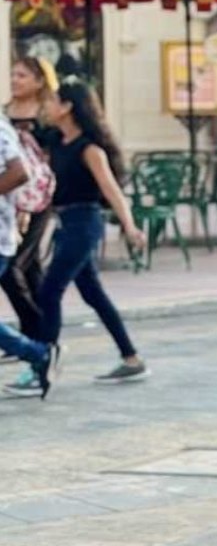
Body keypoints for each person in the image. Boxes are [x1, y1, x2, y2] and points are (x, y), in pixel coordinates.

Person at [37, 80, 148, 383]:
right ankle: (132, 358)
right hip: (66, 224)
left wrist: (130, 227)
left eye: (52, 101)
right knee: (93, 294)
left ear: (67, 107)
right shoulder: (56, 143)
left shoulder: (89, 149)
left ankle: (42, 365)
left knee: (49, 290)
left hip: (84, 224)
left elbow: (111, 191)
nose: (47, 107)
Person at [1, 57, 59, 394]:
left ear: (39, 79)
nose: (15, 80)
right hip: (15, 214)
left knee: (21, 274)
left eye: (22, 74)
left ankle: (38, 349)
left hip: (34, 205)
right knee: (26, 275)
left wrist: (25, 206)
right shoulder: (8, 112)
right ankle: (36, 348)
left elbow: (23, 172)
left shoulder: (46, 114)